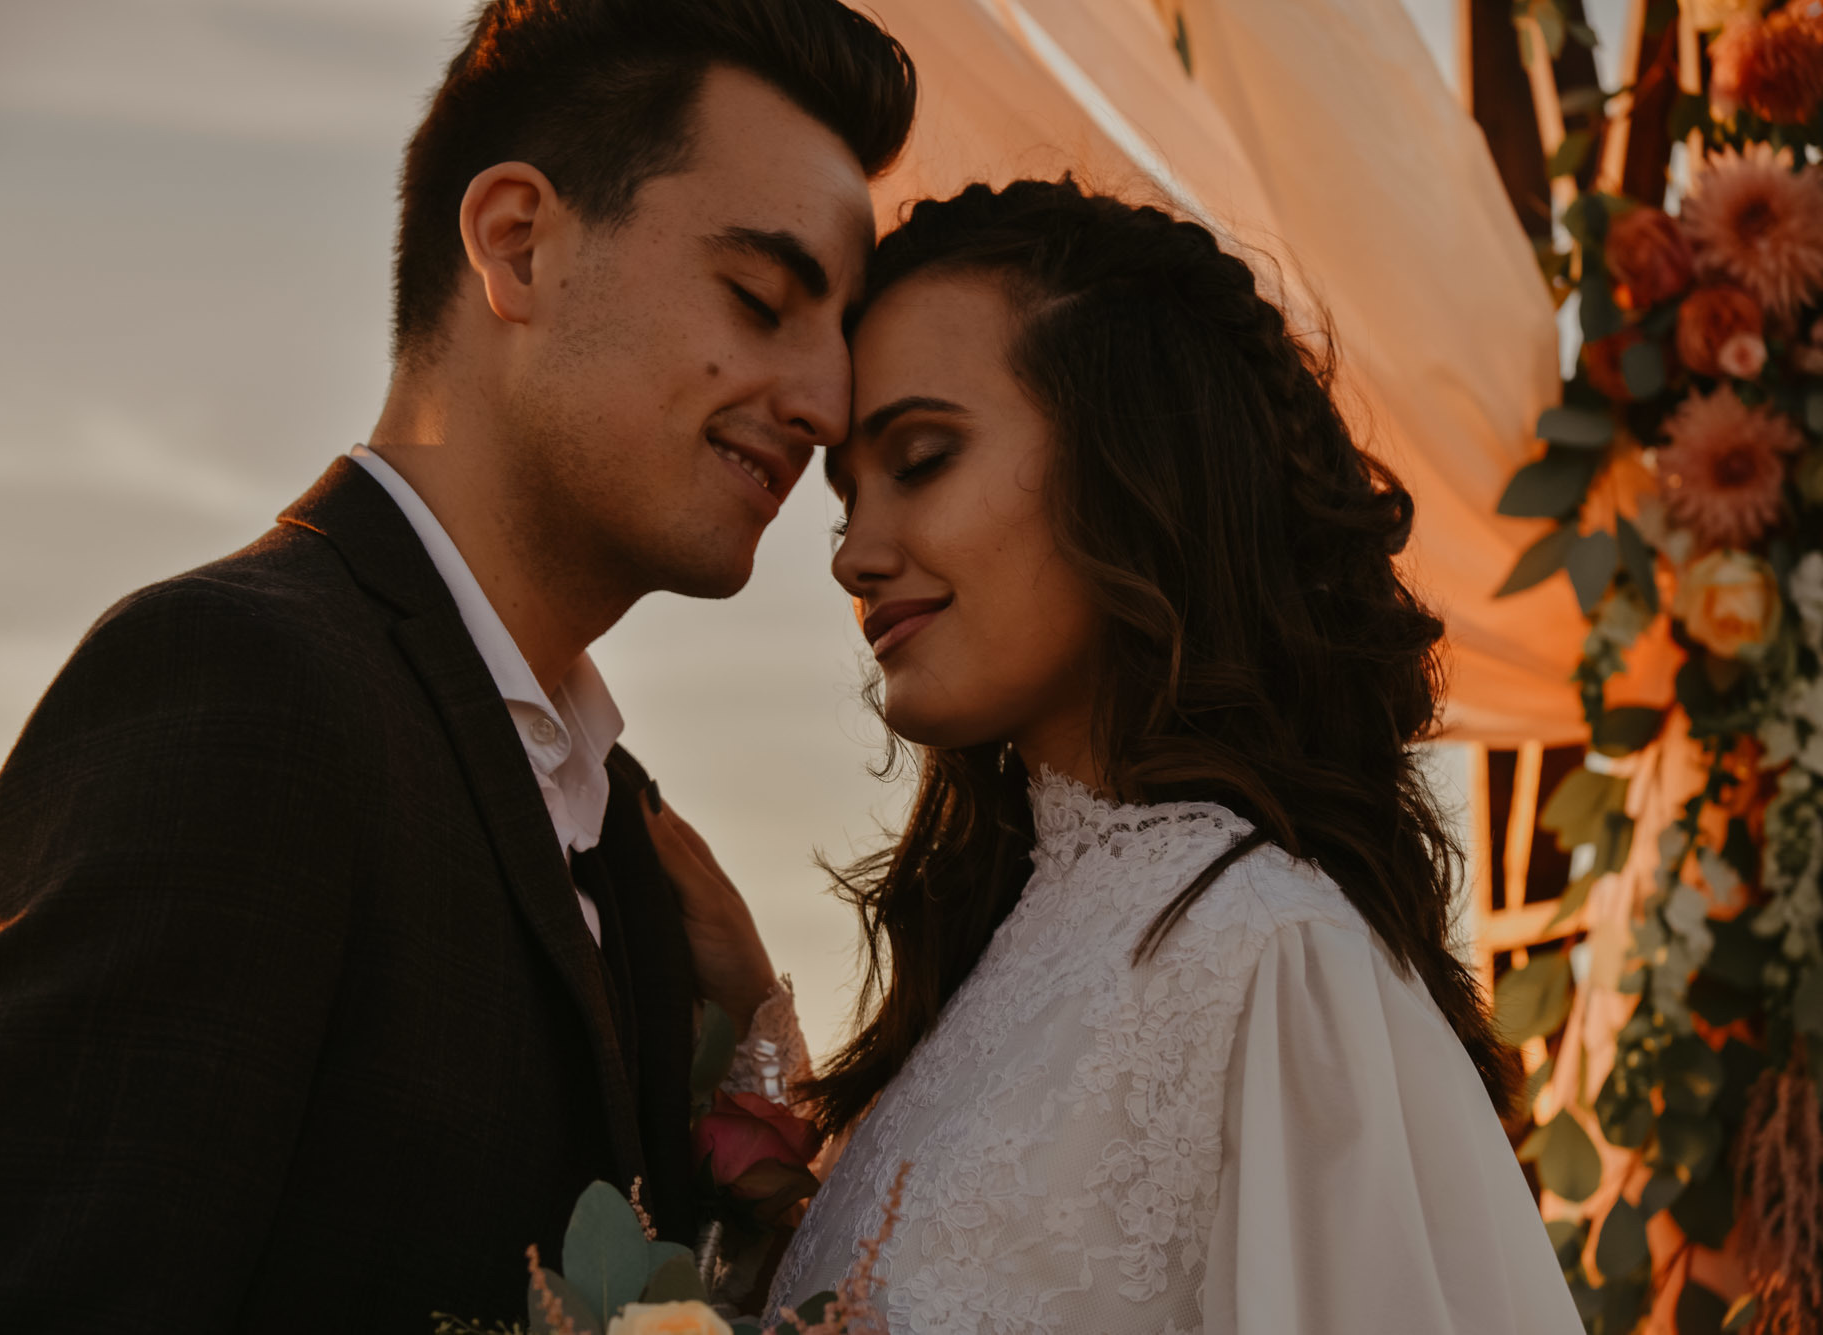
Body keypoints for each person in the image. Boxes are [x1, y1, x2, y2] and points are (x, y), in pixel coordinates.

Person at [0, 3, 913, 1330]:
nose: (826, 401)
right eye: (760, 299)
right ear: (516, 242)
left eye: (841, 332)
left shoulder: (631, 838)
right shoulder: (233, 686)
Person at [647, 178, 1585, 1334]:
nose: (853, 555)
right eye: (847, 502)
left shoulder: (1268, 956)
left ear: (1135, 460)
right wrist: (751, 1039)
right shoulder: (1001, 965)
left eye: (921, 458)